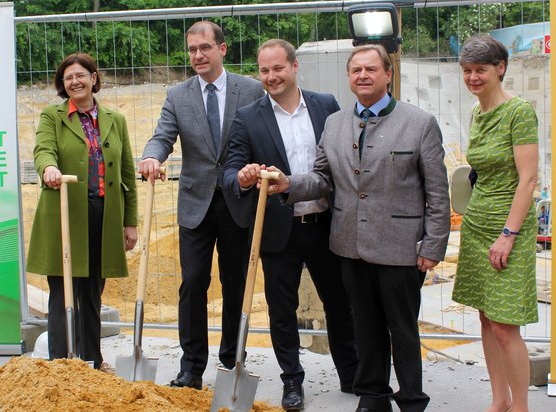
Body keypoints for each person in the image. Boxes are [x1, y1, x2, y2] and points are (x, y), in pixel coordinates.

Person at [244, 44, 450, 412]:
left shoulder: (419, 123)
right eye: (356, 70)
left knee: (401, 330)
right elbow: (323, 178)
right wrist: (288, 184)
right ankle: (372, 397)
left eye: (371, 69)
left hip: (400, 248)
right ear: (349, 78)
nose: (363, 76)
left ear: (388, 74)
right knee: (365, 327)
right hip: (349, 246)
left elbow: (437, 191)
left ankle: (412, 400)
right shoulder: (336, 124)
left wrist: (432, 245)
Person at [223, 39, 358, 410]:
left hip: (326, 225)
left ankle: (352, 373)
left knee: (339, 303)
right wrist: (244, 177)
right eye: (264, 70)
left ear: (295, 67)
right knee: (282, 311)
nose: (270, 77)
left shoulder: (326, 106)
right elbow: (230, 173)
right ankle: (292, 382)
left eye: (277, 68)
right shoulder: (248, 117)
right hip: (278, 229)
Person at [138, 21, 264, 390]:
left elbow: (260, 135)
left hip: (239, 200)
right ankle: (191, 366)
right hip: (195, 202)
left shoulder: (251, 89)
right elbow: (163, 136)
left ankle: (231, 361)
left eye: (205, 48)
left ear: (222, 49)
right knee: (193, 282)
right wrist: (151, 157)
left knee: (235, 282)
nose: (197, 55)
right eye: (192, 49)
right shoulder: (178, 95)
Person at [27, 52, 138, 371]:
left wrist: (130, 222)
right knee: (64, 290)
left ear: (93, 77)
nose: (75, 81)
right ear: (63, 85)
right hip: (65, 213)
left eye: (80, 75)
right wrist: (48, 168)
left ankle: (92, 358)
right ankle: (61, 363)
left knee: (92, 292)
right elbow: (43, 148)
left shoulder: (115, 120)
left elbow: (127, 172)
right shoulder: (53, 115)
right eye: (68, 78)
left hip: (103, 215)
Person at [452, 34, 539, 412]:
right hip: (476, 225)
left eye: (480, 70)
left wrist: (508, 235)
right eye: (467, 70)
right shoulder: (477, 112)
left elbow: (529, 179)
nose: (473, 77)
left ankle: (520, 406)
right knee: (487, 318)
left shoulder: (519, 112)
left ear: (500, 68)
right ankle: (498, 400)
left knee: (505, 326)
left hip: (509, 229)